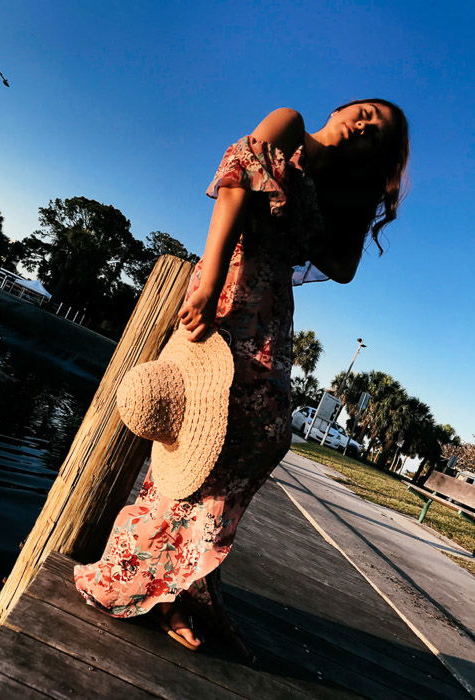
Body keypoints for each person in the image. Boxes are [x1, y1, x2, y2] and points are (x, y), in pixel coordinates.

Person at [74, 99, 409, 650]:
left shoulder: (335, 186)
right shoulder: (291, 126)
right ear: (345, 107)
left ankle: (189, 577)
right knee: (198, 435)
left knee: (264, 436)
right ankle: (152, 580)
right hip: (228, 291)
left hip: (272, 314)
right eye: (368, 113)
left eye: (380, 134)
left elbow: (344, 269)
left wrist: (347, 197)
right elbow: (234, 183)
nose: (367, 125)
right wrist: (206, 284)